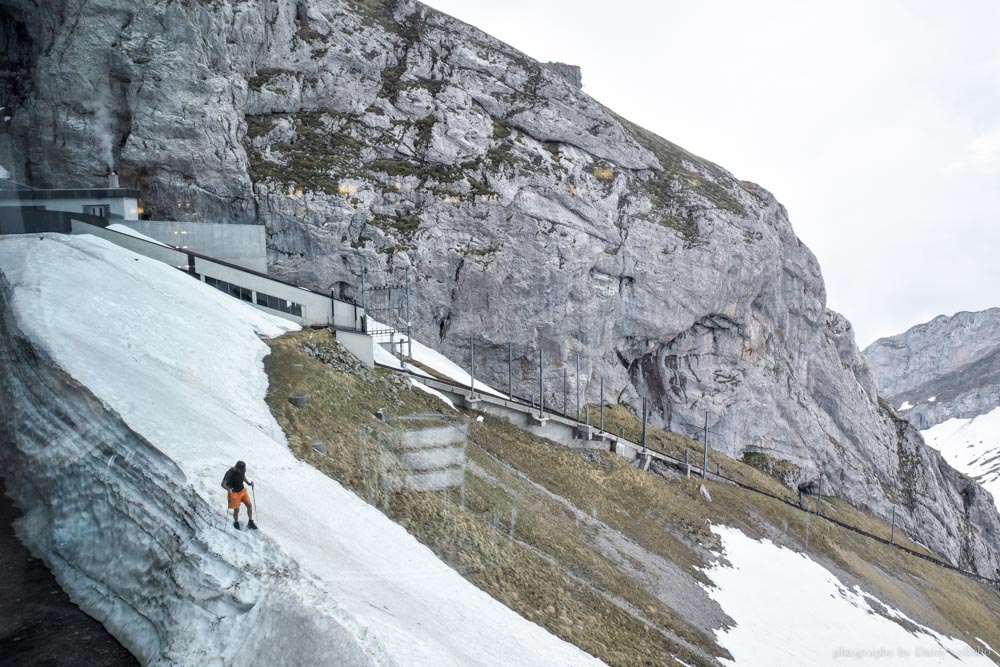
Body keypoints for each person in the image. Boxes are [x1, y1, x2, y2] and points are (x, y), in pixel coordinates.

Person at [222, 460, 257, 530]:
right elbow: (223, 484)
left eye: (243, 469)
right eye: (241, 470)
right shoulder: (230, 473)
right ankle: (236, 522)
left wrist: (248, 483)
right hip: (234, 493)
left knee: (249, 505)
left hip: (242, 490)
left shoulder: (242, 470)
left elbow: (243, 476)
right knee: (236, 510)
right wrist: (228, 489)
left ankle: (250, 522)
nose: (243, 471)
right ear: (237, 468)